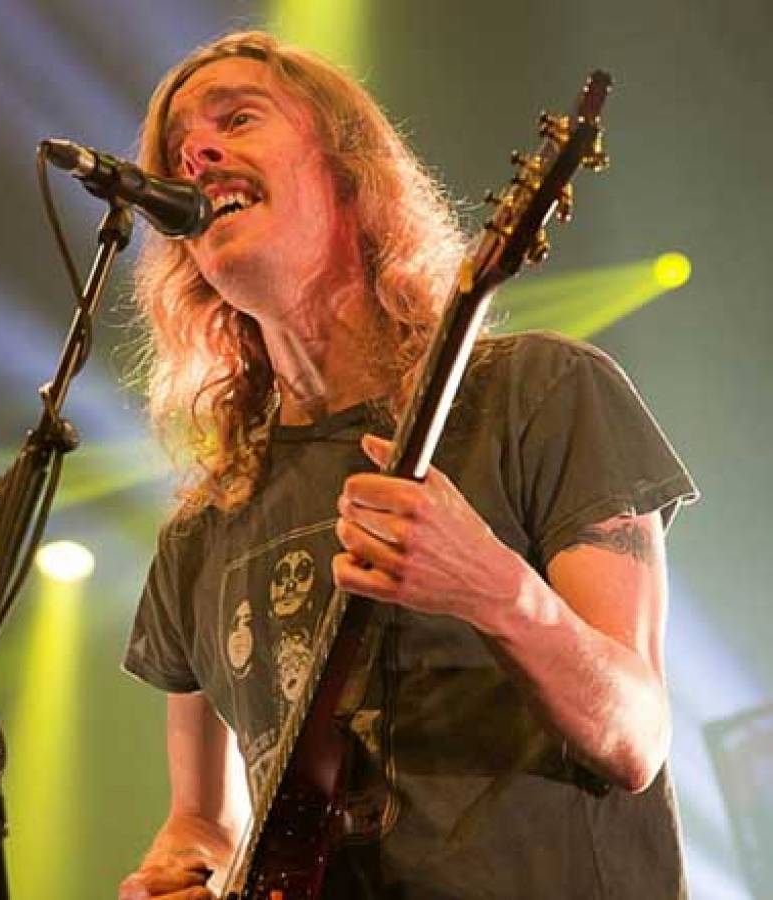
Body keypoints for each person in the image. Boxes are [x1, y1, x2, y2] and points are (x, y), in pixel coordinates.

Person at [119, 30, 698, 900]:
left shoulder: (540, 393)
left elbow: (635, 734)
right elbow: (201, 821)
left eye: (237, 119)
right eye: (177, 151)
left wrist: (493, 589)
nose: (194, 155)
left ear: (347, 170)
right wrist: (181, 868)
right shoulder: (199, 537)